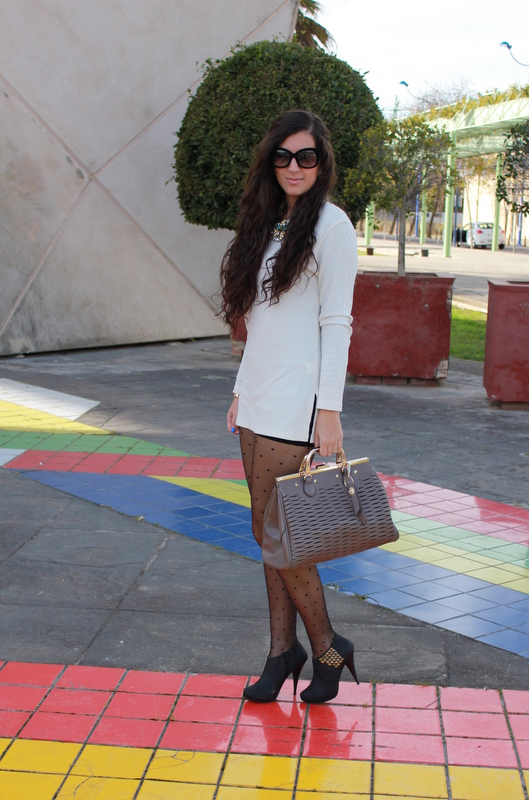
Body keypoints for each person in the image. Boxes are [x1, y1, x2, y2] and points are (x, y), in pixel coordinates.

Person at [220, 110, 358, 704]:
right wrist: (239, 388)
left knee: (280, 533)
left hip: (299, 398)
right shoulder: (267, 221)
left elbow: (337, 322)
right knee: (267, 531)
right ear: (270, 162)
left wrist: (330, 409)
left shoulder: (332, 226)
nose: (294, 167)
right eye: (283, 156)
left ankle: (326, 645)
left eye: (306, 157)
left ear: (322, 162)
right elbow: (260, 321)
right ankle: (283, 651)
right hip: (258, 392)